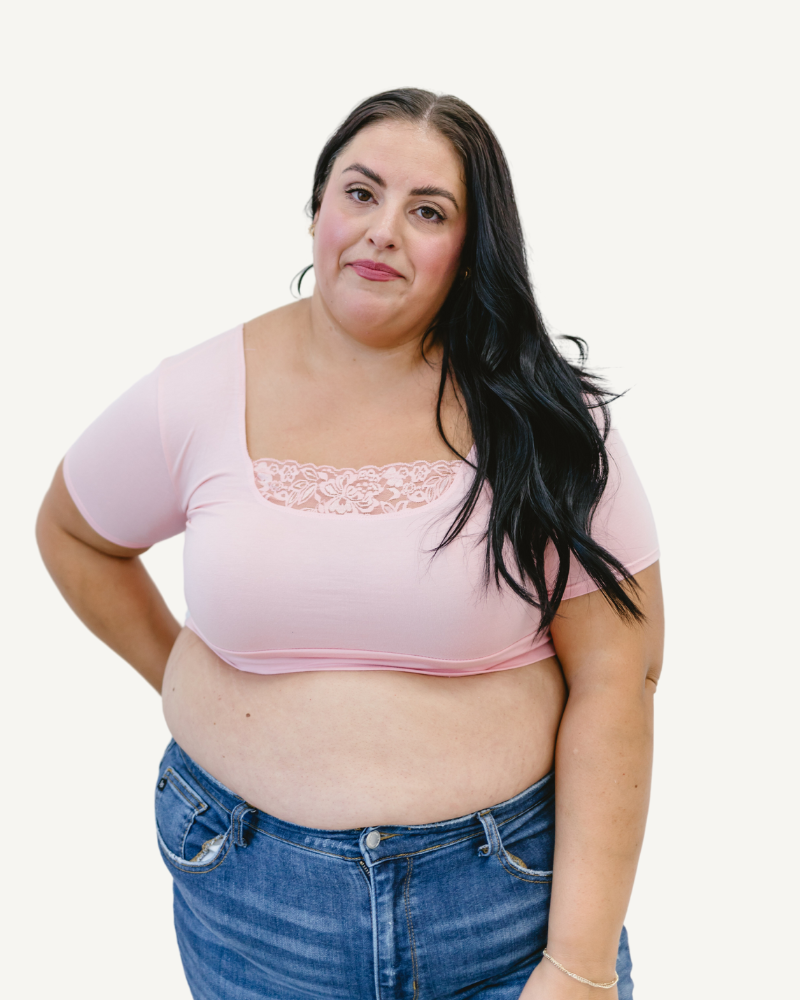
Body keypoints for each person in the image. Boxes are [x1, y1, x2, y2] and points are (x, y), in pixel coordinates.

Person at [36, 88, 663, 1000]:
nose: (382, 232)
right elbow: (73, 534)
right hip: (248, 906)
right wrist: (191, 676)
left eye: (428, 211)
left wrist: (579, 965)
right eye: (360, 194)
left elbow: (620, 675)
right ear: (317, 210)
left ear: (470, 245)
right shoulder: (197, 393)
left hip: (504, 907)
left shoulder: (550, 420)